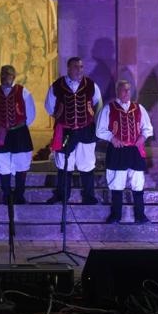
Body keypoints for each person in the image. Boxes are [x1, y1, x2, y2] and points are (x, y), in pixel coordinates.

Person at [45, 57, 102, 205]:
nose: (79, 70)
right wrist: (62, 118)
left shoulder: (91, 85)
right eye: (76, 67)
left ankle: (89, 196)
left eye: (81, 67)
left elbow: (98, 104)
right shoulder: (57, 85)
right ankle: (62, 196)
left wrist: (92, 121)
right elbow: (49, 107)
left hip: (86, 130)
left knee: (87, 163)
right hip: (65, 131)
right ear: (68, 68)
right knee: (64, 163)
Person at [96, 80, 153, 224]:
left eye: (129, 90)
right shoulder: (109, 108)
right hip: (117, 150)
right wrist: (112, 138)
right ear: (117, 91)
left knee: (138, 182)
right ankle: (116, 215)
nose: (127, 92)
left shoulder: (139, 108)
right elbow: (100, 130)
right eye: (124, 90)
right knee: (117, 182)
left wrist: (143, 137)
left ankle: (140, 215)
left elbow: (147, 128)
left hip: (135, 150)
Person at [0, 65, 35, 205]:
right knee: (3, 163)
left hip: (19, 133)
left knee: (21, 163)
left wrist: (16, 126)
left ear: (14, 76)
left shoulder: (24, 92)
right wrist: (2, 125)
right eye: (3, 74)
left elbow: (30, 115)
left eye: (8, 74)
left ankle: (19, 195)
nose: (5, 77)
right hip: (1, 132)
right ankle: (6, 194)